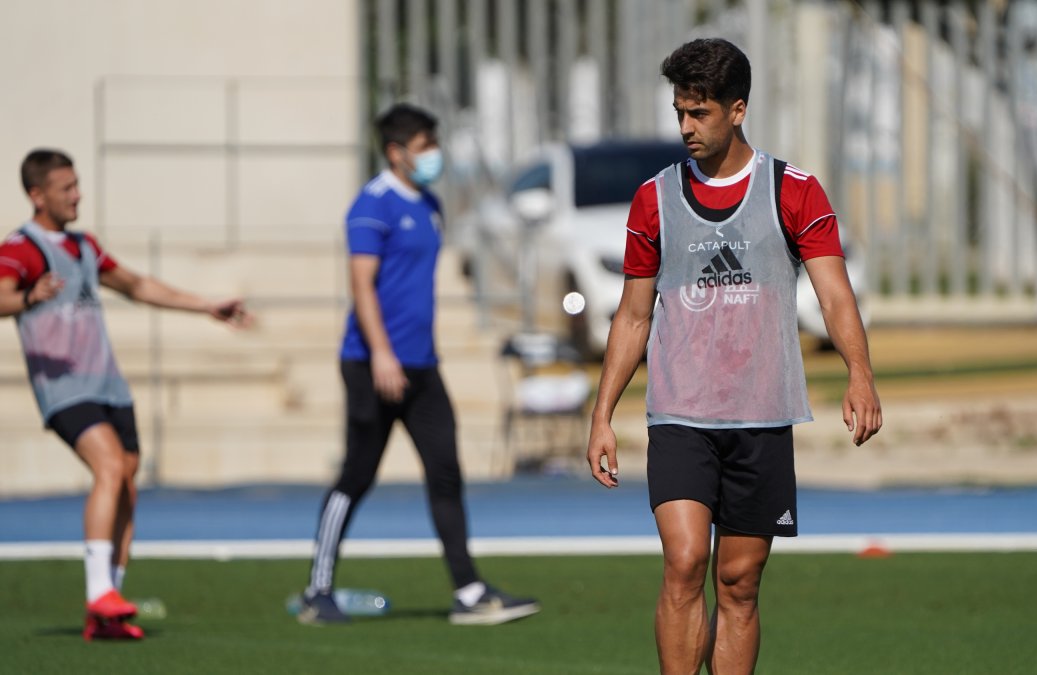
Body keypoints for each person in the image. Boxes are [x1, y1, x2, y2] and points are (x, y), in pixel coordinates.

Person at [586, 38, 883, 673]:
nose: (687, 128)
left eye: (700, 114)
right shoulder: (654, 199)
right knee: (686, 561)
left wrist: (860, 374)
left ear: (738, 109)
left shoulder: (793, 191)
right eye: (679, 114)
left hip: (762, 416)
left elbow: (834, 295)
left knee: (739, 583)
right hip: (680, 416)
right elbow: (633, 316)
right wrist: (601, 414)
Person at [298, 103, 539, 626]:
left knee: (446, 473)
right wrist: (382, 353)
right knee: (356, 475)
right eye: (424, 145)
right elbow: (361, 285)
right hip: (372, 364)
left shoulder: (430, 203)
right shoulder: (371, 206)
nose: (433, 155)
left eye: (434, 143)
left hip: (423, 367)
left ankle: (469, 592)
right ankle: (318, 592)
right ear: (396, 151)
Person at [0, 149, 251, 641]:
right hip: (66, 389)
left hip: (109, 384)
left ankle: (108, 607)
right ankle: (98, 592)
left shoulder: (84, 247)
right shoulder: (22, 248)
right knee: (110, 468)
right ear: (37, 194)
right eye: (66, 188)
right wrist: (28, 297)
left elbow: (136, 285)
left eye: (77, 185)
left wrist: (206, 306)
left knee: (127, 486)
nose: (77, 195)